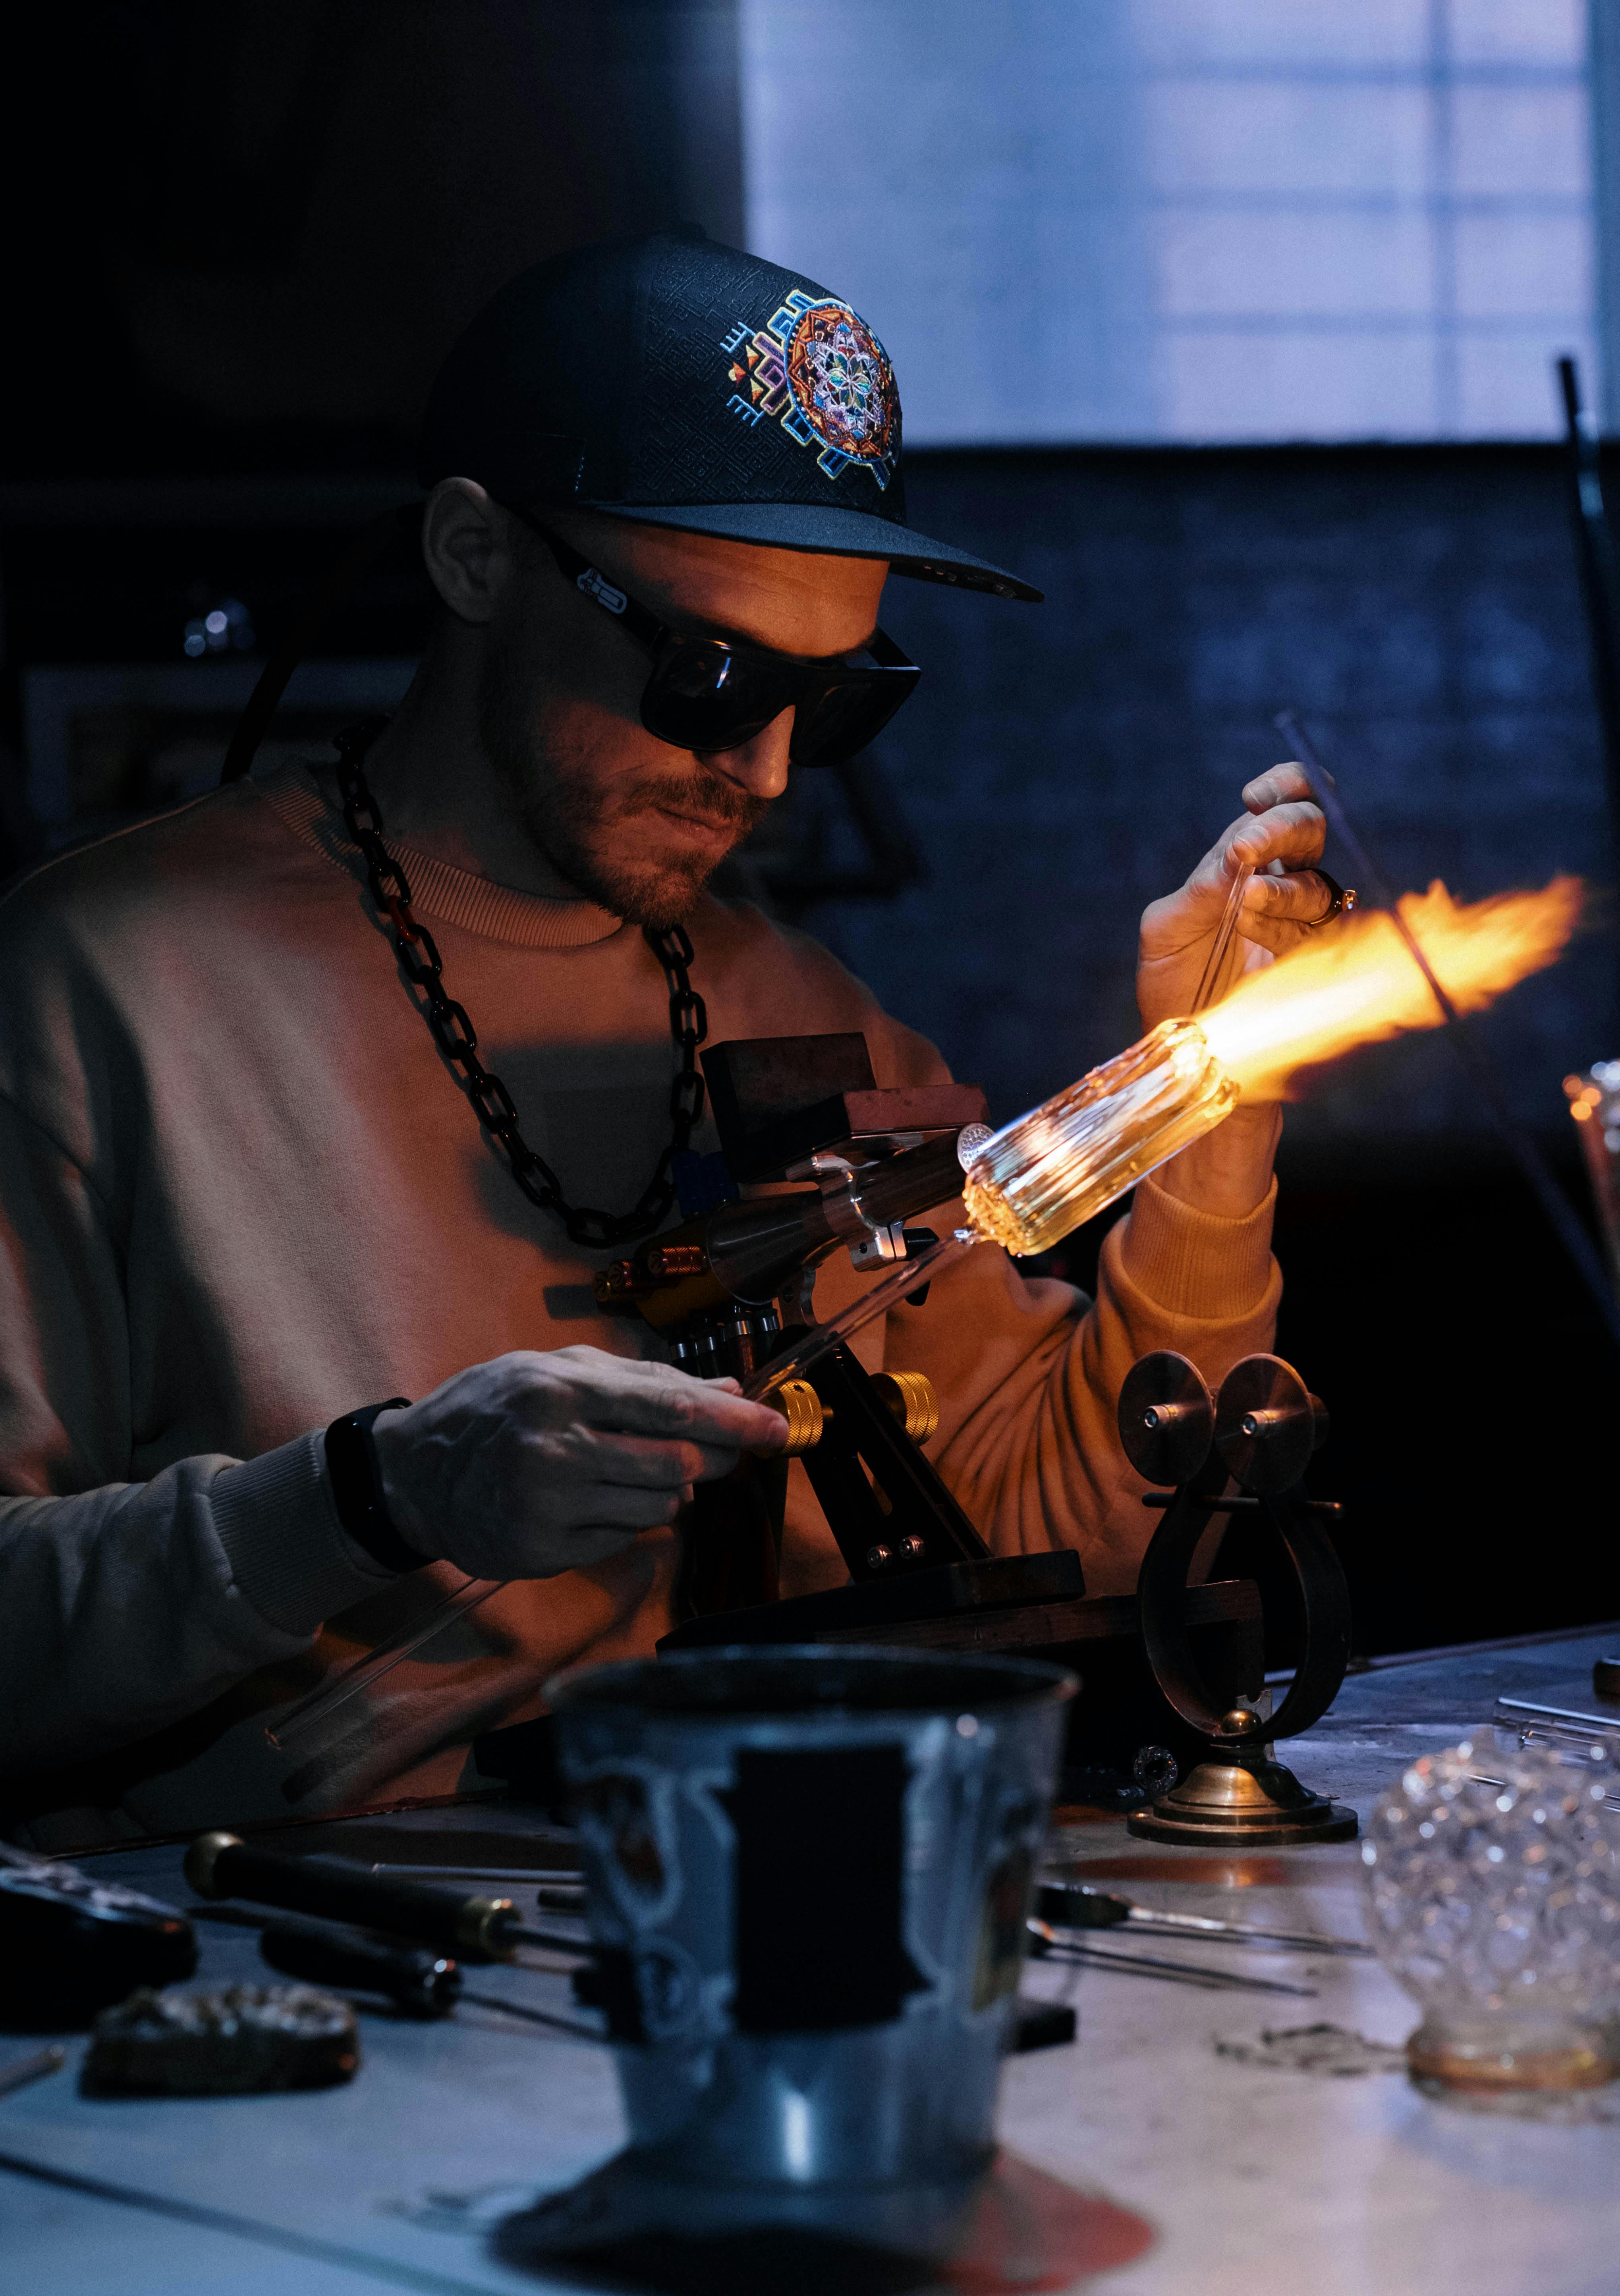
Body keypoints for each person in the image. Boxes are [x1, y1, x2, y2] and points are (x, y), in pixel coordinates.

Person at [0, 232, 1334, 1847]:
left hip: (752, 1889)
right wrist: (372, 1494)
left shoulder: (812, 1020)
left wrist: (1217, 1105)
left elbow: (1085, 1525)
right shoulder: (99, 993)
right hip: (301, 1949)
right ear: (478, 557)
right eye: (709, 673)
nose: (769, 774)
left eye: (838, 701)